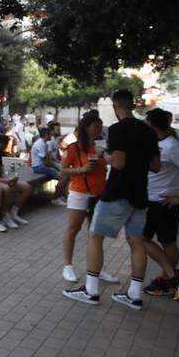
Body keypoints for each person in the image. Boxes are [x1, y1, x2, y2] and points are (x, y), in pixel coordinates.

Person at [64, 89, 159, 309]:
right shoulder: (149, 131)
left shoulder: (117, 129)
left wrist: (105, 155)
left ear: (116, 107)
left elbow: (117, 163)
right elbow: (156, 166)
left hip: (117, 192)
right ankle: (134, 295)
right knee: (137, 242)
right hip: (140, 193)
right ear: (133, 105)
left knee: (95, 236)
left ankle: (91, 290)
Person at [140, 108, 179, 300]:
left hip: (164, 202)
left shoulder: (173, 146)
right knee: (150, 240)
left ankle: (172, 277)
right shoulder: (154, 143)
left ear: (150, 123)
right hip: (151, 200)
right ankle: (169, 279)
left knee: (156, 240)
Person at [58, 112, 117, 284]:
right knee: (73, 229)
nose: (99, 129)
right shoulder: (74, 148)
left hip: (99, 194)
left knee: (96, 233)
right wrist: (80, 170)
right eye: (96, 126)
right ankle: (68, 266)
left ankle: (96, 269)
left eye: (100, 126)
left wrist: (106, 156)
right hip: (79, 193)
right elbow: (63, 169)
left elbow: (112, 164)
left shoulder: (102, 148)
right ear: (86, 128)